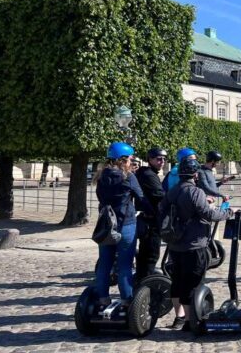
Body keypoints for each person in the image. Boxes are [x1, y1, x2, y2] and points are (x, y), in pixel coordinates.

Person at [159, 158, 231, 331]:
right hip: (194, 243)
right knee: (193, 281)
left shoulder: (173, 191)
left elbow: (163, 209)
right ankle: (190, 321)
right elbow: (208, 214)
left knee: (177, 280)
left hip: (175, 243)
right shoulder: (195, 192)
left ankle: (179, 317)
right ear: (195, 174)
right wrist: (227, 212)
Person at [94, 142, 149, 307]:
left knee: (104, 263)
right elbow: (141, 198)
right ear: (122, 160)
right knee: (125, 265)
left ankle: (102, 298)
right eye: (130, 159)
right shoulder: (128, 177)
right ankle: (127, 300)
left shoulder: (101, 177)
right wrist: (152, 211)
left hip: (106, 225)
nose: (132, 163)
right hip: (126, 224)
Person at [133, 147, 167, 282]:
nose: (162, 162)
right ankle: (145, 286)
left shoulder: (146, 173)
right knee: (151, 255)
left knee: (144, 255)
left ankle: (141, 281)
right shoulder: (149, 175)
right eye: (159, 159)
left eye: (164, 159)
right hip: (151, 221)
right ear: (150, 159)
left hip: (146, 219)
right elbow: (160, 195)